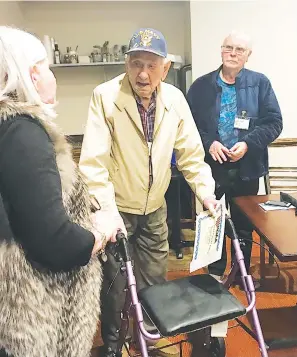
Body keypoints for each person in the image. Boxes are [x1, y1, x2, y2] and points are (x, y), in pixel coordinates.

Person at [79, 28, 218, 357]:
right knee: (114, 283)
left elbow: (191, 156)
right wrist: (107, 212)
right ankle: (113, 344)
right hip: (118, 209)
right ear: (126, 63)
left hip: (155, 208)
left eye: (152, 65)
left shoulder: (175, 99)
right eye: (136, 63)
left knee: (155, 279)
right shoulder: (105, 96)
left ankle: (149, 344)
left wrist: (206, 193)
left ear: (165, 68)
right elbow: (94, 162)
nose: (143, 73)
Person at [0, 26, 115, 357]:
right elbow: (54, 241)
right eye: (48, 67)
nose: (52, 76)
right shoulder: (23, 133)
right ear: (34, 75)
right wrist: (99, 232)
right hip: (29, 317)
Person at [187, 31, 282, 287]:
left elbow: (274, 123)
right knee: (213, 220)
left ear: (248, 56)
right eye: (228, 47)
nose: (232, 53)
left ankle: (241, 272)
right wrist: (209, 143)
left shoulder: (260, 83)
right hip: (213, 167)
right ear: (221, 50)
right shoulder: (200, 86)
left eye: (239, 49)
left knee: (243, 224)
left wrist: (248, 144)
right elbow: (188, 125)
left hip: (247, 167)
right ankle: (215, 272)